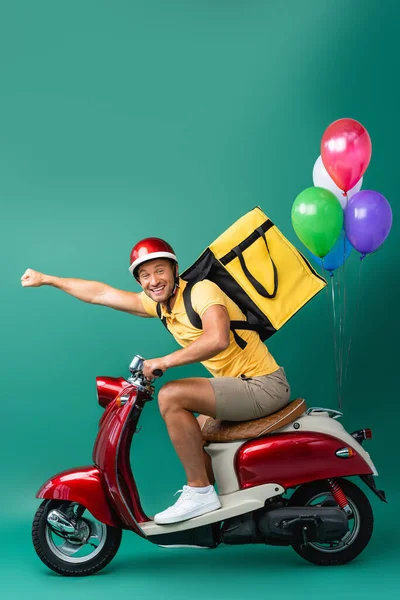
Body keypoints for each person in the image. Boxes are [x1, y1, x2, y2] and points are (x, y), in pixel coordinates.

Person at [21, 237, 291, 525]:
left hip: (263, 384)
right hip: (241, 386)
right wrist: (47, 279)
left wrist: (164, 361)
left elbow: (218, 337)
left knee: (171, 395)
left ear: (175, 270)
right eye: (145, 275)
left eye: (160, 270)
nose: (153, 281)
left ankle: (200, 493)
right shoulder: (161, 305)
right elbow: (100, 293)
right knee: (193, 432)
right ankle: (219, 518)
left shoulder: (201, 291)